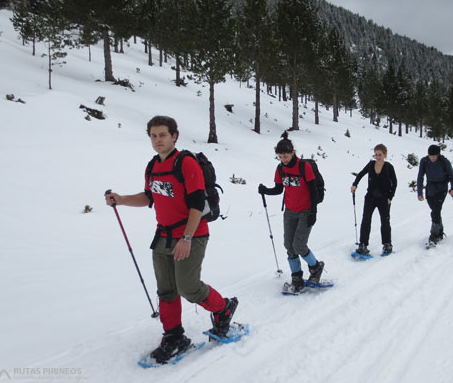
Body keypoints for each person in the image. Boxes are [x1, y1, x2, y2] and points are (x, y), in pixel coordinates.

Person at [104, 116, 237, 365]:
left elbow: (197, 204)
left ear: (174, 136)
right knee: (166, 290)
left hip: (191, 233)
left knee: (188, 287)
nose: (157, 140)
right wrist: (121, 199)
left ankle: (223, 308)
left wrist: (186, 238)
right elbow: (149, 196)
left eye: (162, 135)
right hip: (163, 235)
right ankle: (174, 336)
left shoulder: (185, 162)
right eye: (153, 136)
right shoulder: (152, 166)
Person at [258, 132, 325, 293]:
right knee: (289, 245)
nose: (283, 159)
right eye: (280, 156)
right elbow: (279, 189)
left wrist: (313, 212)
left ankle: (315, 267)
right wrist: (265, 190)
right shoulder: (280, 168)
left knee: (299, 245)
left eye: (286, 156)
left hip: (306, 211)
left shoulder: (304, 166)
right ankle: (297, 276)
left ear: (293, 152)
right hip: (289, 211)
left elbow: (313, 190)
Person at [351, 144, 398, 255]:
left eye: (380, 154)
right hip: (370, 197)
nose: (377, 157)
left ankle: (387, 244)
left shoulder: (389, 167)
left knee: (385, 221)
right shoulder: (371, 164)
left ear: (384, 154)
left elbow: (394, 183)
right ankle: (363, 244)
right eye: (376, 154)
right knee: (366, 220)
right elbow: (361, 174)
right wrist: (355, 184)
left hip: (384, 198)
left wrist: (390, 197)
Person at [416, 145, 453, 244]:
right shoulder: (424, 161)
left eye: (434, 155)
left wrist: (452, 188)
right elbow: (420, 176)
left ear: (438, 155)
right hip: (430, 188)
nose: (432, 157)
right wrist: (420, 192)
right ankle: (440, 231)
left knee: (436, 211)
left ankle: (434, 235)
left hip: (442, 188)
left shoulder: (444, 162)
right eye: (430, 155)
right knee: (435, 211)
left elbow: (452, 176)